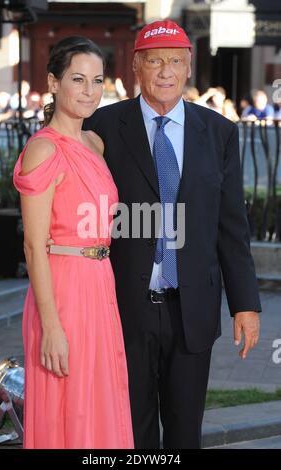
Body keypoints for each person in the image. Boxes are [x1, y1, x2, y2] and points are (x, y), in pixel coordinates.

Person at [83, 20, 262, 449]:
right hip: (126, 304)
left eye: (175, 61)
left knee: (185, 432)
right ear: (136, 69)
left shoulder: (219, 132)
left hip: (192, 306)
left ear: (188, 68)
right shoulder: (102, 126)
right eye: (155, 61)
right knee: (132, 429)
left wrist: (246, 305)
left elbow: (232, 226)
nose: (166, 71)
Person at [13, 36, 134, 449]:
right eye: (78, 79)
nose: (89, 91)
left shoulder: (95, 144)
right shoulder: (43, 150)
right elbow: (33, 246)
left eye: (97, 80)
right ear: (52, 81)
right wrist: (51, 327)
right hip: (63, 293)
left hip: (100, 286)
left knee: (100, 399)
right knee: (69, 404)